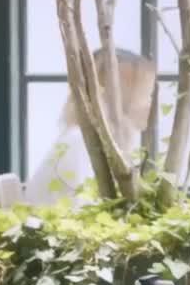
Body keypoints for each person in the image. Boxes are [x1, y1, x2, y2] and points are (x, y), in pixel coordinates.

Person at [25, 48, 156, 206]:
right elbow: (82, 209)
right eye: (145, 95)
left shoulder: (93, 142)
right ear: (118, 97)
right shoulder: (81, 143)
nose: (151, 105)